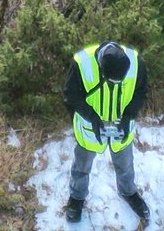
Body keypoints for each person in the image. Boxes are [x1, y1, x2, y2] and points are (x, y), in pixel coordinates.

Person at [63, 39, 148, 223]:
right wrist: (92, 117)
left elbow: (140, 92)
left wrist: (128, 117)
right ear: (102, 67)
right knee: (82, 165)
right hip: (89, 127)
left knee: (125, 164)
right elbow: (70, 94)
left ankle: (129, 192)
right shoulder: (82, 63)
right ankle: (76, 198)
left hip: (122, 126)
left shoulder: (136, 63)